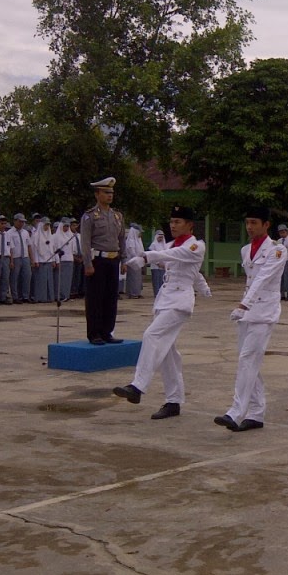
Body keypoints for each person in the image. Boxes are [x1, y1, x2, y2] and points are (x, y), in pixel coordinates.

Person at [113, 206, 210, 419]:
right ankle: (173, 401)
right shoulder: (169, 244)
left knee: (152, 335)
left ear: (190, 225)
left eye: (178, 221)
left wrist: (147, 256)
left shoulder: (195, 245)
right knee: (168, 354)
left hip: (179, 302)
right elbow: (192, 271)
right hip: (165, 300)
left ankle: (137, 386)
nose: (173, 225)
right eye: (172, 221)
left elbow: (175, 256)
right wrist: (203, 287)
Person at [214, 206, 286, 432]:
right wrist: (244, 306)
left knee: (247, 359)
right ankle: (256, 413)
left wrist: (244, 303)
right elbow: (250, 279)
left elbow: (263, 278)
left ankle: (236, 412)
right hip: (247, 312)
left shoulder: (277, 250)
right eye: (248, 223)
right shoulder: (246, 250)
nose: (250, 227)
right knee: (248, 361)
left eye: (255, 222)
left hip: (264, 311)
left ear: (266, 225)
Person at [80, 177, 127, 345]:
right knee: (95, 298)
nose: (110, 195)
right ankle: (94, 333)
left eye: (111, 193)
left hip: (113, 260)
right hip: (97, 260)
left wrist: (124, 260)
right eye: (106, 192)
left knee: (110, 298)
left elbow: (121, 239)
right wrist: (87, 263)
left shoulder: (117, 216)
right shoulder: (90, 216)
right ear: (97, 194)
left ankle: (107, 331)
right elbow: (85, 242)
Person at [8, 213, 34, 304]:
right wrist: (11, 260)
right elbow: (10, 248)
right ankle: (15, 296)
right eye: (20, 222)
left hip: (25, 257)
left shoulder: (25, 232)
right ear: (15, 221)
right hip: (16, 257)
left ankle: (25, 296)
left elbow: (29, 246)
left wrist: (32, 259)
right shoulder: (10, 233)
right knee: (14, 278)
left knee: (27, 276)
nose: (22, 224)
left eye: (23, 222)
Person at [123, 223, 145, 298]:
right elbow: (131, 251)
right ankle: (132, 293)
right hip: (133, 261)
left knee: (138, 278)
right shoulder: (131, 240)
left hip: (138, 261)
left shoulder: (138, 240)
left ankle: (137, 292)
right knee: (133, 278)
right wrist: (137, 257)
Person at [148, 230, 168, 296]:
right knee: (156, 281)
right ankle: (156, 294)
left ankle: (162, 294)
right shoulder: (153, 245)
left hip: (163, 266)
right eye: (159, 237)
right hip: (155, 266)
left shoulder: (164, 245)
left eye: (162, 237)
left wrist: (164, 264)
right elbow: (152, 256)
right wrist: (158, 263)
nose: (161, 239)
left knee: (163, 281)